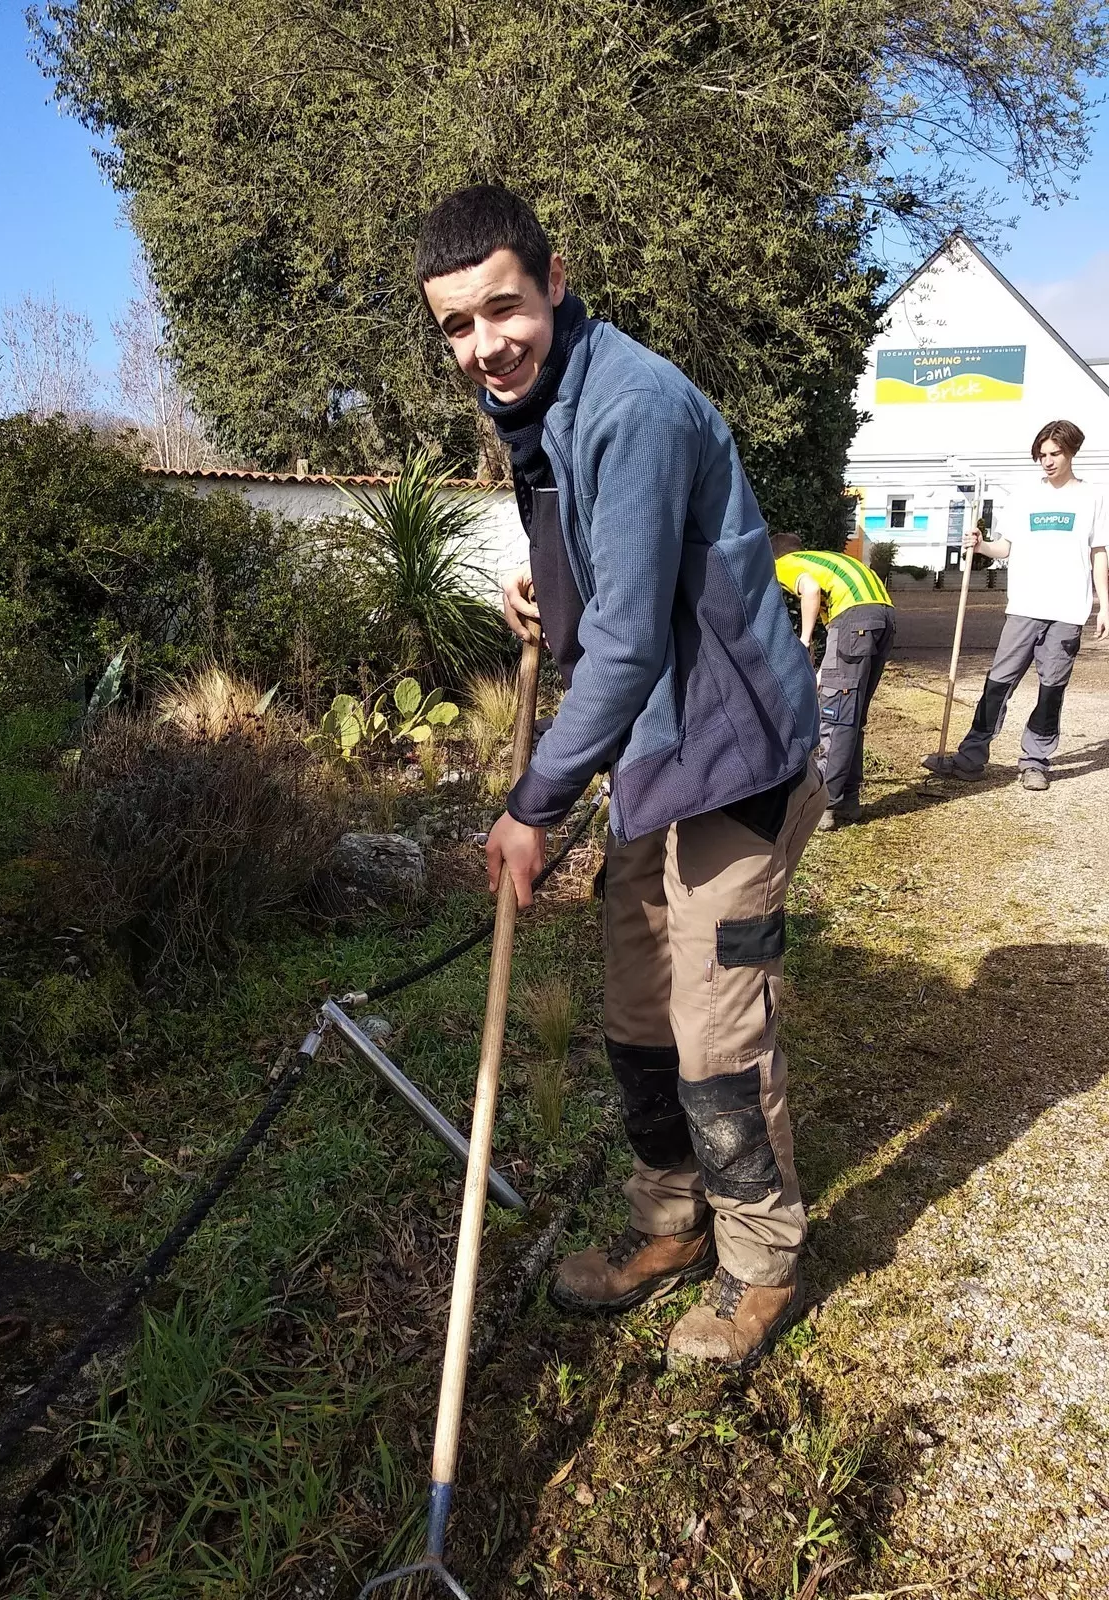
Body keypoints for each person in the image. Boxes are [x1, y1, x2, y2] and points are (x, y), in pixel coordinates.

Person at [414, 185, 825, 1370]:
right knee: (639, 1001)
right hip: (656, 750)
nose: (485, 343)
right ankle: (671, 1223)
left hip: (731, 753)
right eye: (456, 325)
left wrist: (530, 806)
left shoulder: (631, 404)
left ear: (554, 279)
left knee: (714, 1023)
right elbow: (613, 577)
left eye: (503, 307)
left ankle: (761, 1263)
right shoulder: (538, 402)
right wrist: (543, 592)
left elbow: (636, 645)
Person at [923, 422, 1108, 790]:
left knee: (1051, 690)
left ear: (1071, 452)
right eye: (1042, 455)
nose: (1047, 461)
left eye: (1054, 454)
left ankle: (1035, 761)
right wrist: (981, 545)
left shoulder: (1093, 497)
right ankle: (971, 757)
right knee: (998, 683)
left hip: (1067, 612)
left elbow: (1098, 552)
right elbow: (1005, 547)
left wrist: (1104, 603)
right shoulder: (1025, 496)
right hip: (1024, 606)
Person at [770, 535, 896, 830]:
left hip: (856, 620)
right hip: (885, 616)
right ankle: (849, 799)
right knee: (853, 716)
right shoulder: (827, 561)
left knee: (835, 717)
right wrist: (822, 675)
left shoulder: (783, 564)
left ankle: (824, 805)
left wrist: (804, 641)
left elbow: (810, 590)